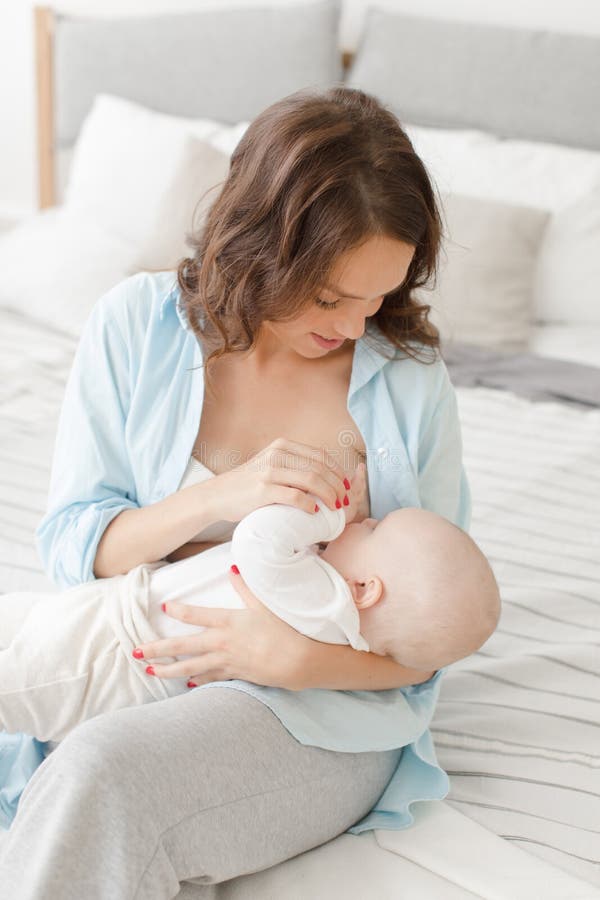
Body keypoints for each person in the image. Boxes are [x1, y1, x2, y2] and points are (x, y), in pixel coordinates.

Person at [0, 85, 473, 899]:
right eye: (330, 298)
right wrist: (222, 498)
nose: (358, 327)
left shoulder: (409, 385)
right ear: (260, 245)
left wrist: (293, 658)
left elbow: (432, 636)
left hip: (314, 712)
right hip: (129, 659)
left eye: (379, 297)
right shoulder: (133, 327)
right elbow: (78, 545)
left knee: (100, 774)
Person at [0, 465, 499, 744]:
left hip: (109, 653)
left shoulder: (320, 600)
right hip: (111, 621)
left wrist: (333, 512)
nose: (365, 521)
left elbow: (259, 537)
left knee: (16, 684)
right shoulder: (338, 623)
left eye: (375, 527)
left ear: (365, 589)